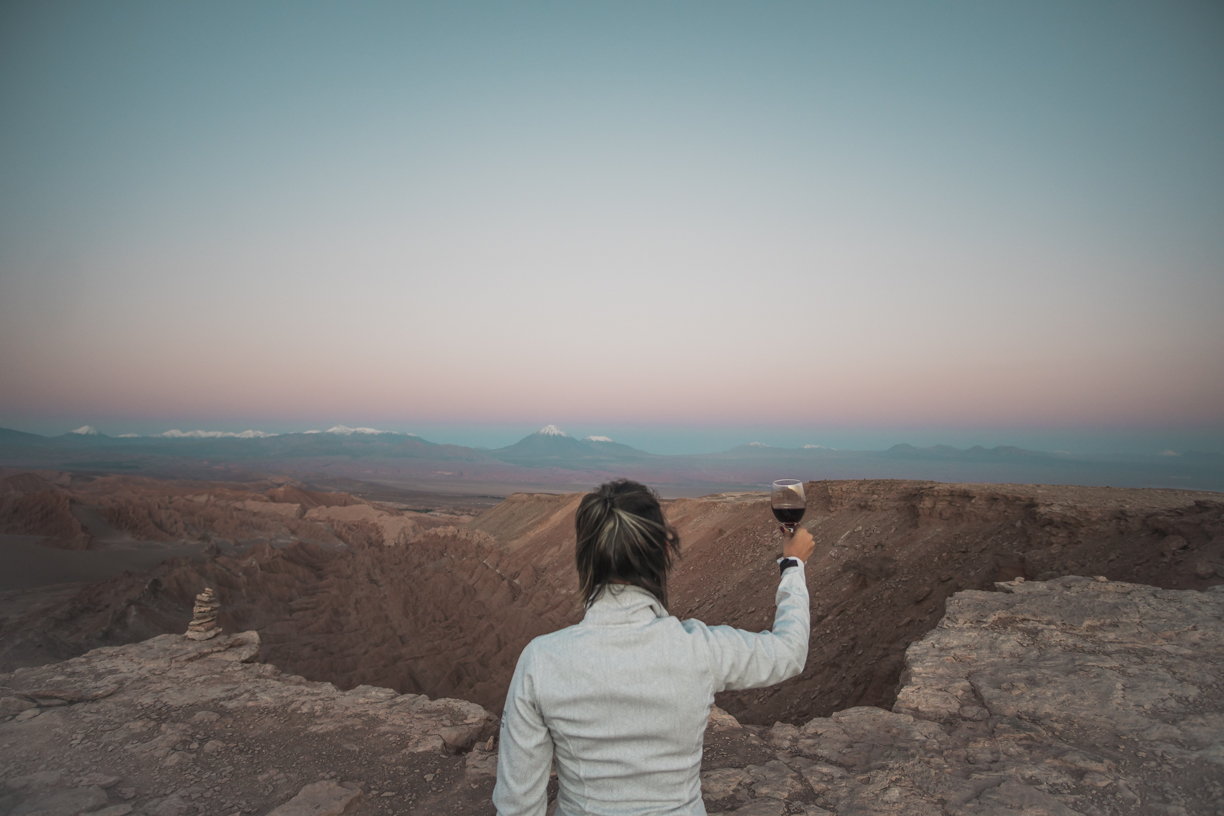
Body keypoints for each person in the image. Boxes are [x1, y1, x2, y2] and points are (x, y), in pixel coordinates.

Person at [493, 478, 815, 816]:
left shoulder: (541, 660)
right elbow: (790, 652)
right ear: (663, 550)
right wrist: (792, 567)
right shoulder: (700, 649)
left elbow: (517, 806)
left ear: (586, 556)